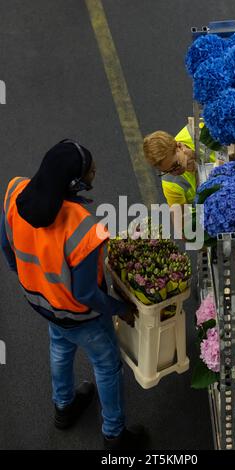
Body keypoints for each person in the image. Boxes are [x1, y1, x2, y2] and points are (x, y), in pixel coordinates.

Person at [0, 139, 145, 450]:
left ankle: (63, 407)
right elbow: (86, 293)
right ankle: (114, 434)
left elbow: (6, 244)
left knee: (60, 347)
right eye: (90, 171)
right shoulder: (83, 228)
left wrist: (27, 275)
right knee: (107, 366)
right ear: (75, 183)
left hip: (42, 302)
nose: (95, 172)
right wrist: (120, 309)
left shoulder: (15, 192)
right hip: (81, 316)